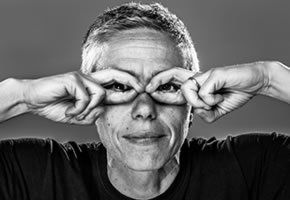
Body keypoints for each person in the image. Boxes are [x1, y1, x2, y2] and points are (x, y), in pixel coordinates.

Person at [0, 2, 289, 200]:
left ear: (192, 105)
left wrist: (270, 77)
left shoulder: (257, 168)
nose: (145, 110)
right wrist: (20, 96)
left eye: (167, 85)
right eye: (118, 85)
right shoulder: (32, 175)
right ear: (91, 101)